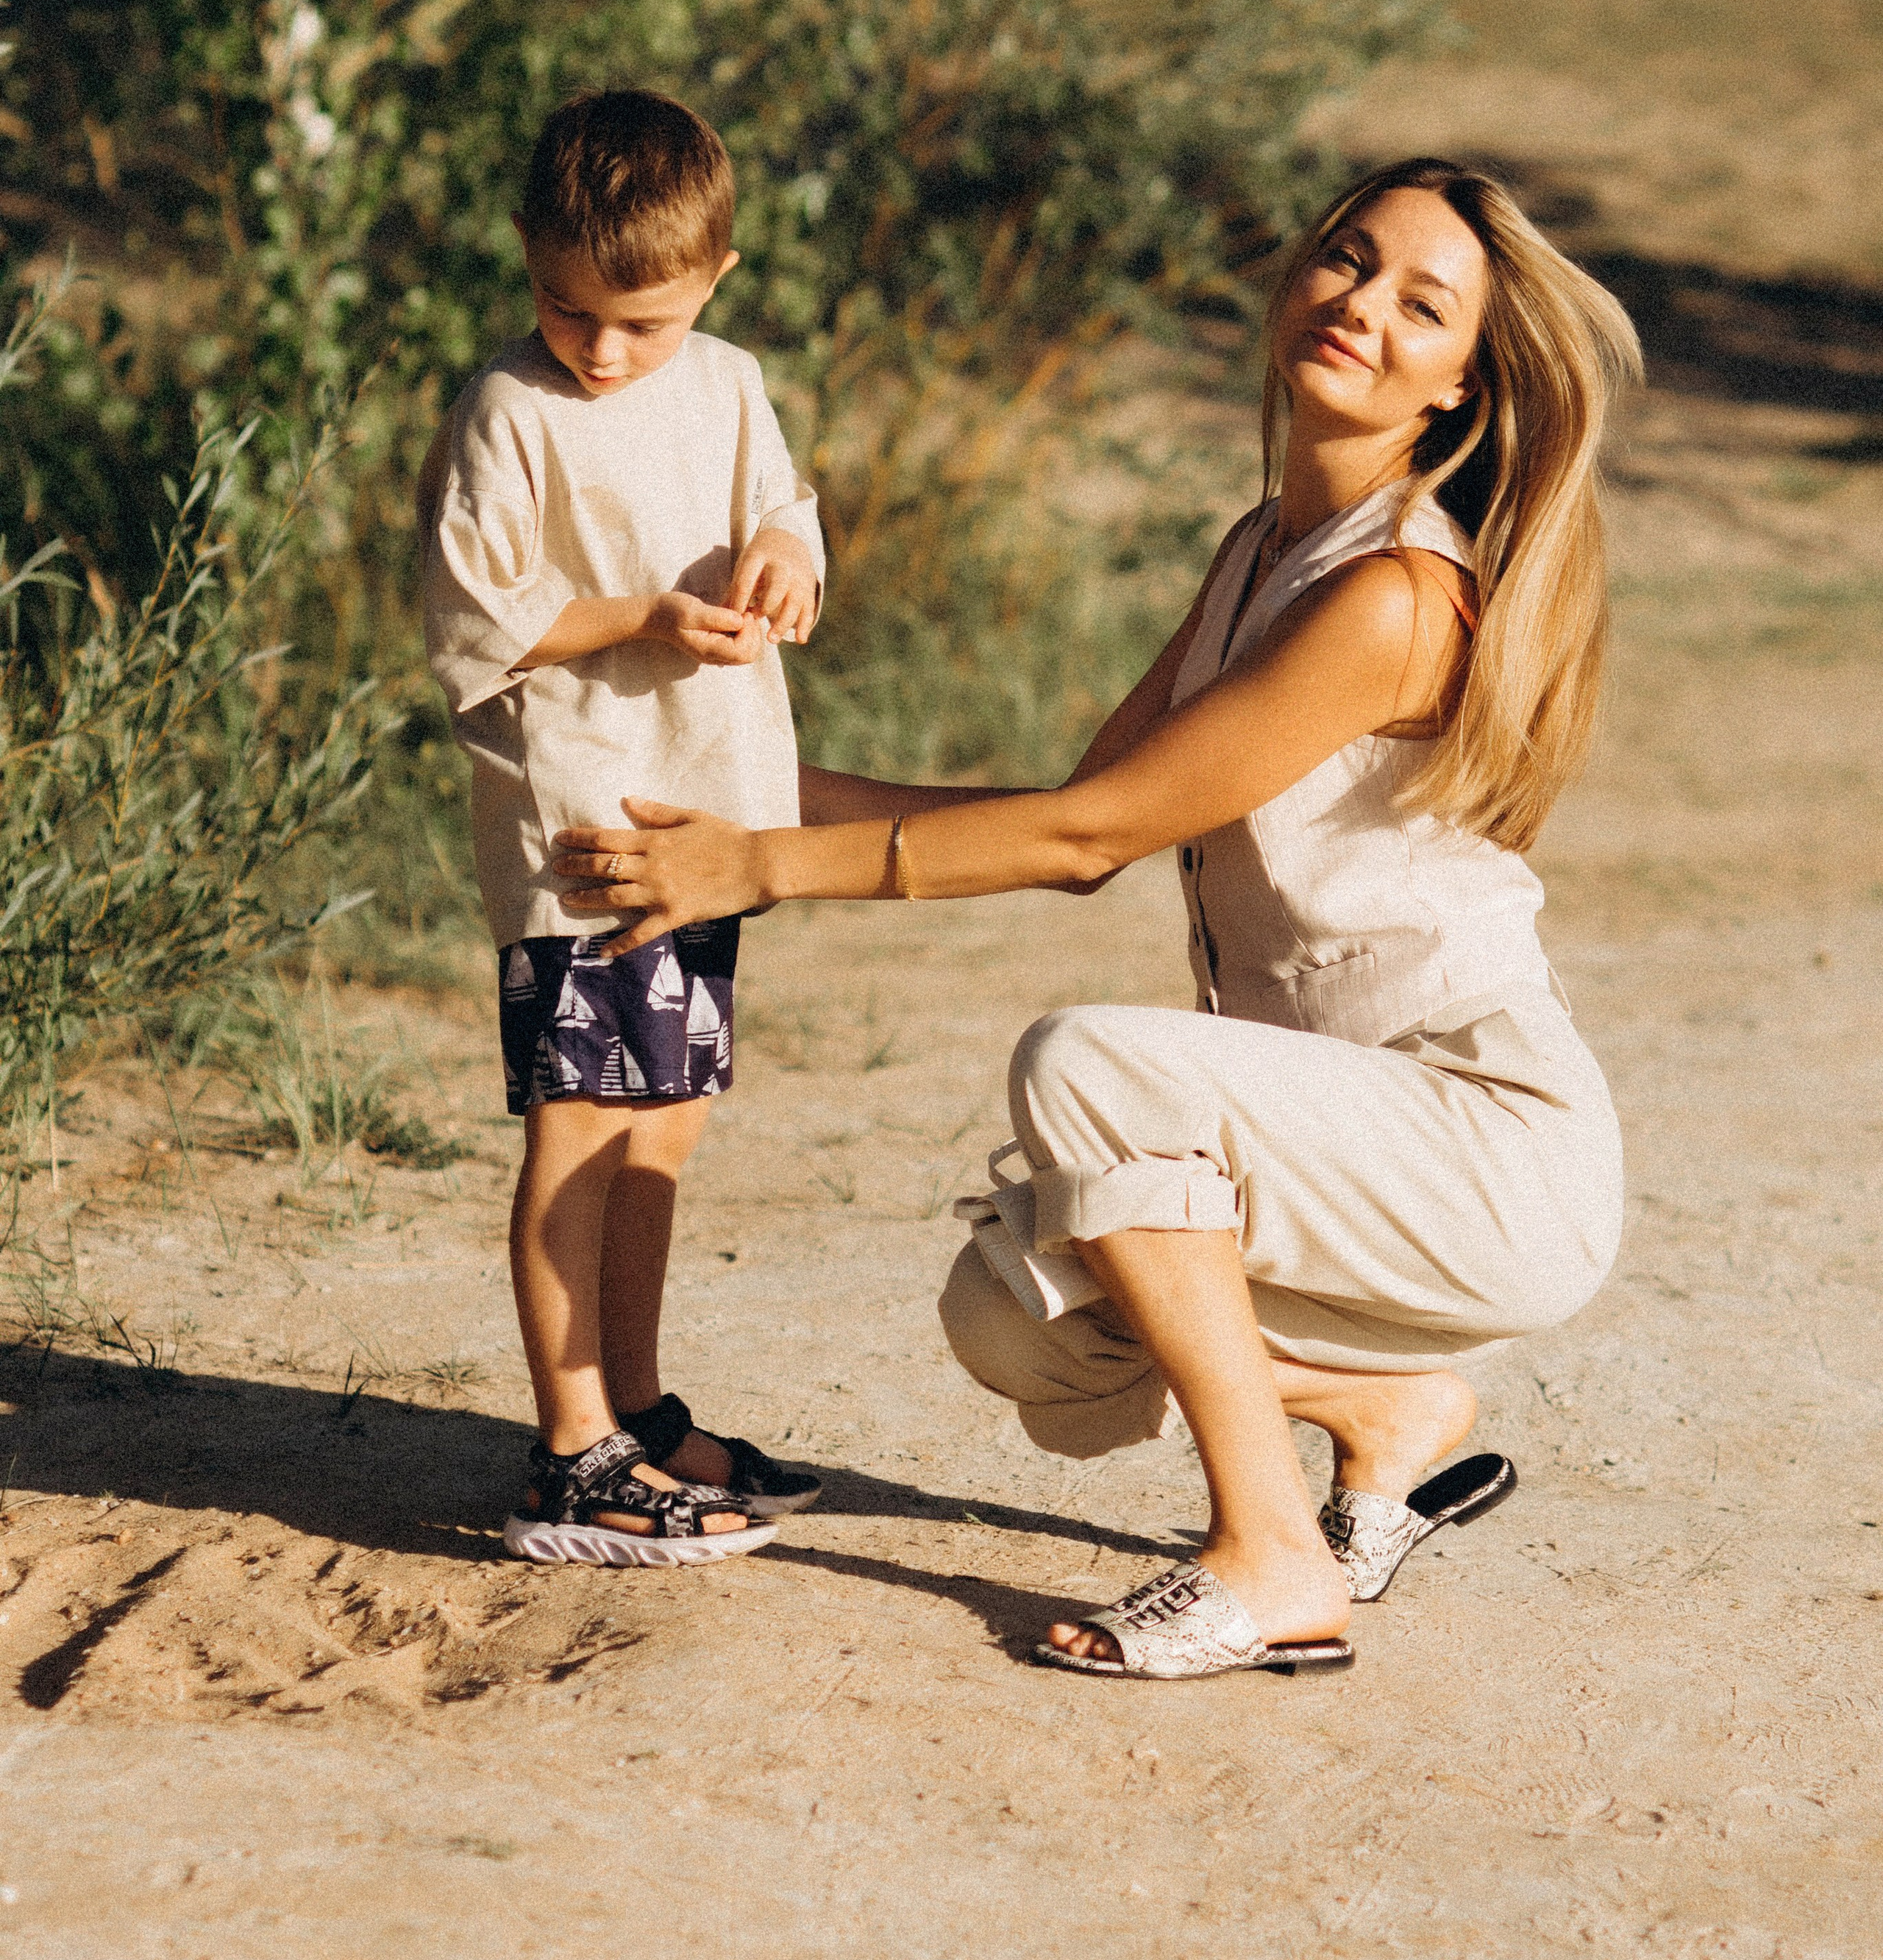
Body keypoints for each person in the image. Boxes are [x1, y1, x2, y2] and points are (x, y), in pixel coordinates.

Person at [549, 158, 1642, 1677]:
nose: (1357, 307)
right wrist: (729, 788)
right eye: (1344, 259)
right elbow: (1071, 809)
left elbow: (1096, 835)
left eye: (1418, 303)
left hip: (1483, 1144)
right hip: (1340, 1138)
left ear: (1461, 386)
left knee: (1085, 1068)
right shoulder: (1260, 551)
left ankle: (1272, 1562)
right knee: (1019, 1329)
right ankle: (1384, 1415)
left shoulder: (1391, 598)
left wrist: (760, 870)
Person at [419, 87, 827, 1567]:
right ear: (527, 260)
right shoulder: (508, 414)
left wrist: (782, 555)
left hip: (703, 811)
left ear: (714, 276)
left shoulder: (722, 383)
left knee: (665, 1121)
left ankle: (639, 1416)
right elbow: (476, 618)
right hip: (581, 826)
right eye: (562, 305)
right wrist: (641, 617)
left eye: (636, 321)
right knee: (583, 1126)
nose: (597, 349)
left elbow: (784, 506)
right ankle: (569, 1454)